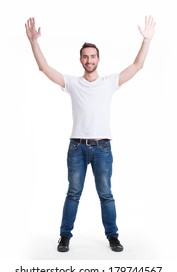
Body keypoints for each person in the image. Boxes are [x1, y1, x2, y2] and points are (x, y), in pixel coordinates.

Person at [25, 16, 155, 252]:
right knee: (73, 193)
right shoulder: (73, 83)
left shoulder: (109, 82)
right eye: (85, 56)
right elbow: (44, 68)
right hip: (77, 147)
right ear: (81, 60)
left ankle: (112, 236)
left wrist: (146, 40)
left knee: (106, 194)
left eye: (92, 56)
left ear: (98, 59)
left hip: (103, 148)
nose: (89, 60)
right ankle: (64, 236)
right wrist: (34, 42)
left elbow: (137, 66)